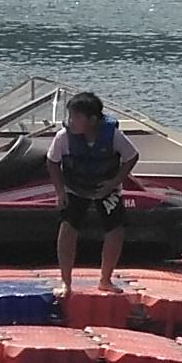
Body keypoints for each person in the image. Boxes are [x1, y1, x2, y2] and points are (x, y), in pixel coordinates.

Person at [52, 88, 130, 282]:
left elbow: (132, 156)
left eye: (76, 117)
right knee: (68, 227)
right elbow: (52, 161)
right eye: (70, 116)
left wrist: (114, 183)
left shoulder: (113, 136)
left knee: (115, 229)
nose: (71, 121)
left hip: (105, 186)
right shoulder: (64, 137)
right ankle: (65, 282)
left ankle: (105, 280)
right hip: (75, 186)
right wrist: (60, 191)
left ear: (93, 120)